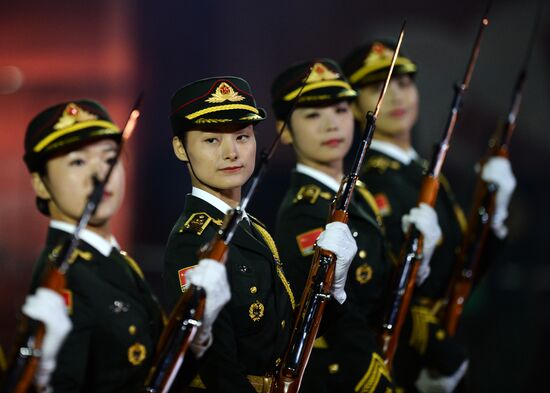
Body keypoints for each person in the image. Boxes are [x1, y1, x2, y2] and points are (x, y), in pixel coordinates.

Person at [163, 76, 357, 393]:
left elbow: (288, 339)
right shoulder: (193, 241)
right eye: (211, 140)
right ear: (180, 148)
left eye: (242, 137)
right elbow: (217, 369)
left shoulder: (251, 227)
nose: (231, 153)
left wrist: (333, 288)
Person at [342, 41, 516, 393]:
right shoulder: (365, 184)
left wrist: (493, 213)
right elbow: (382, 288)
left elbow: (463, 272)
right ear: (357, 108)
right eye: (379, 88)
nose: (396, 97)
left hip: (449, 348)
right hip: (407, 358)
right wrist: (440, 352)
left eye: (404, 83)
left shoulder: (425, 173)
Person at [22, 99, 229, 393]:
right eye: (77, 162)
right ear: (41, 183)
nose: (99, 175)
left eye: (109, 159)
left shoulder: (108, 259)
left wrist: (196, 334)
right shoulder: (64, 278)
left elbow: (153, 376)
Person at [271, 59, 441, 393]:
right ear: (285, 131)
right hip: (347, 375)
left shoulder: (355, 192)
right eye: (312, 115)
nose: (331, 125)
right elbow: (326, 325)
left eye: (340, 109)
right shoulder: (304, 212)